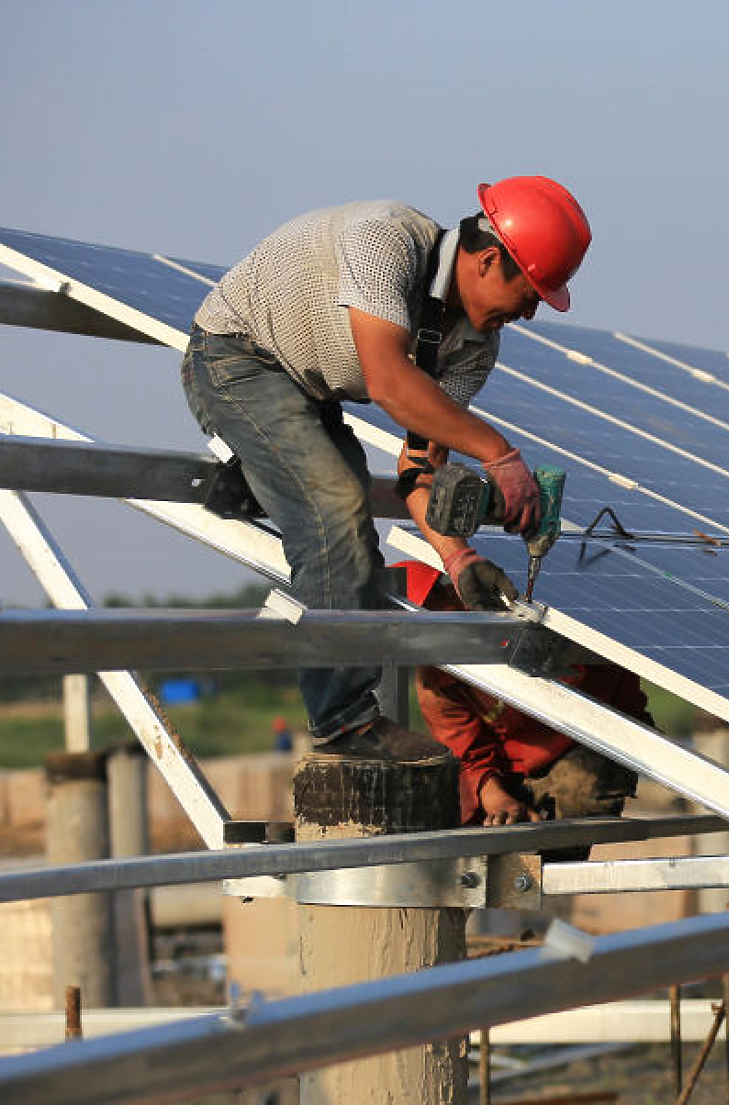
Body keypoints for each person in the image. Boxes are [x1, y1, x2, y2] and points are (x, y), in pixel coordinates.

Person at [181, 177, 590, 763]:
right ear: (488, 261)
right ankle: (343, 725)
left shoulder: (473, 346)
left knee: (341, 507)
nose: (529, 312)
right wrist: (500, 455)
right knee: (334, 506)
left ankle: (259, 472)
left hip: (305, 393)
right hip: (236, 357)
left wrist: (458, 557)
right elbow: (388, 380)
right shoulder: (388, 242)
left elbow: (420, 465)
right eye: (530, 292)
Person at [402, 561, 646, 832]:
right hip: (510, 774)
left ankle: (553, 864)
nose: (434, 618)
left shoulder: (540, 619)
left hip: (592, 741)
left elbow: (601, 690)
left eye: (439, 599)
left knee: (582, 790)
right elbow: (469, 756)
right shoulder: (438, 681)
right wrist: (500, 802)